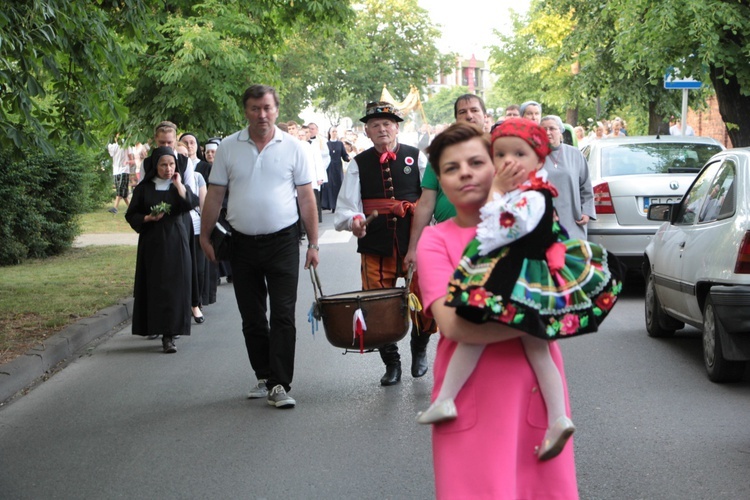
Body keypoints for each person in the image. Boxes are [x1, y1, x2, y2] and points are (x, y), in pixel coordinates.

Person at [417, 120, 622, 462]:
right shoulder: (439, 238)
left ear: (539, 161)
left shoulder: (531, 196)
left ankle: (554, 416)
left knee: (516, 344)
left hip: (520, 279)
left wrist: (496, 192)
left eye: (518, 154)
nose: (508, 162)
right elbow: (451, 326)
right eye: (500, 154)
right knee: (525, 345)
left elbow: (498, 229)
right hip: (519, 284)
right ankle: (450, 398)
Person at [199, 84, 319, 409]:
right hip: (242, 244)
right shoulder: (228, 147)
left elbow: (306, 198)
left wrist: (314, 243)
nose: (261, 114)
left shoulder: (294, 147)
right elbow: (215, 195)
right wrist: (204, 235)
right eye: (255, 108)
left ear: (277, 109)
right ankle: (264, 374)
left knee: (282, 315)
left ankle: (280, 383)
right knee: (252, 316)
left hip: (282, 242)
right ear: (246, 111)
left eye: (267, 107)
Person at [335, 101, 437, 386]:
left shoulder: (415, 157)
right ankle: (392, 363)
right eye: (375, 125)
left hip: (415, 243)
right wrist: (354, 221)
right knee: (376, 307)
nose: (382, 129)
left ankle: (420, 349)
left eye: (388, 123)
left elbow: (430, 199)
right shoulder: (358, 164)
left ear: (397, 127)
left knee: (425, 299)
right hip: (376, 246)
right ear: (366, 131)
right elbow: (346, 208)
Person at [126, 146, 199, 353]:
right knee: (154, 287)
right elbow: (131, 215)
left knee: (175, 289)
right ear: (155, 166)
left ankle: (170, 336)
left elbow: (191, 204)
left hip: (176, 242)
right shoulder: (144, 188)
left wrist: (178, 185)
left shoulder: (179, 185)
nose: (168, 169)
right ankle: (154, 327)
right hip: (152, 244)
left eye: (172, 164)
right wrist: (147, 218)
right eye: (164, 165)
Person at [404, 94, 489, 270]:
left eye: (474, 110)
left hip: (490, 243)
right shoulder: (440, 154)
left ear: (485, 117)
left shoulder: (500, 150)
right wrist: (413, 248)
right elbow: (426, 203)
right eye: (462, 112)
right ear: (456, 119)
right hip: (448, 244)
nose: (469, 116)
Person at [541, 115, 596, 240]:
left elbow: (586, 187)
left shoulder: (575, 154)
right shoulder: (534, 156)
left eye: (552, 128)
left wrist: (586, 212)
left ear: (560, 131)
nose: (548, 132)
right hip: (544, 222)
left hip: (573, 221)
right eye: (544, 129)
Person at [321, 127, 350, 212]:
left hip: (337, 166)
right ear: (329, 132)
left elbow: (344, 155)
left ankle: (338, 205)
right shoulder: (326, 144)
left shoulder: (340, 144)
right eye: (333, 131)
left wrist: (348, 158)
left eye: (336, 131)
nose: (334, 133)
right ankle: (330, 204)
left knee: (338, 184)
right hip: (329, 166)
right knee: (329, 185)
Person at [107, 134, 132, 214]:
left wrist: (128, 163)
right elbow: (111, 153)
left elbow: (131, 157)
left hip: (124, 170)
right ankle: (131, 208)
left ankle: (115, 208)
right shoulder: (113, 146)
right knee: (123, 192)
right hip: (116, 170)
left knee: (120, 189)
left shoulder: (127, 145)